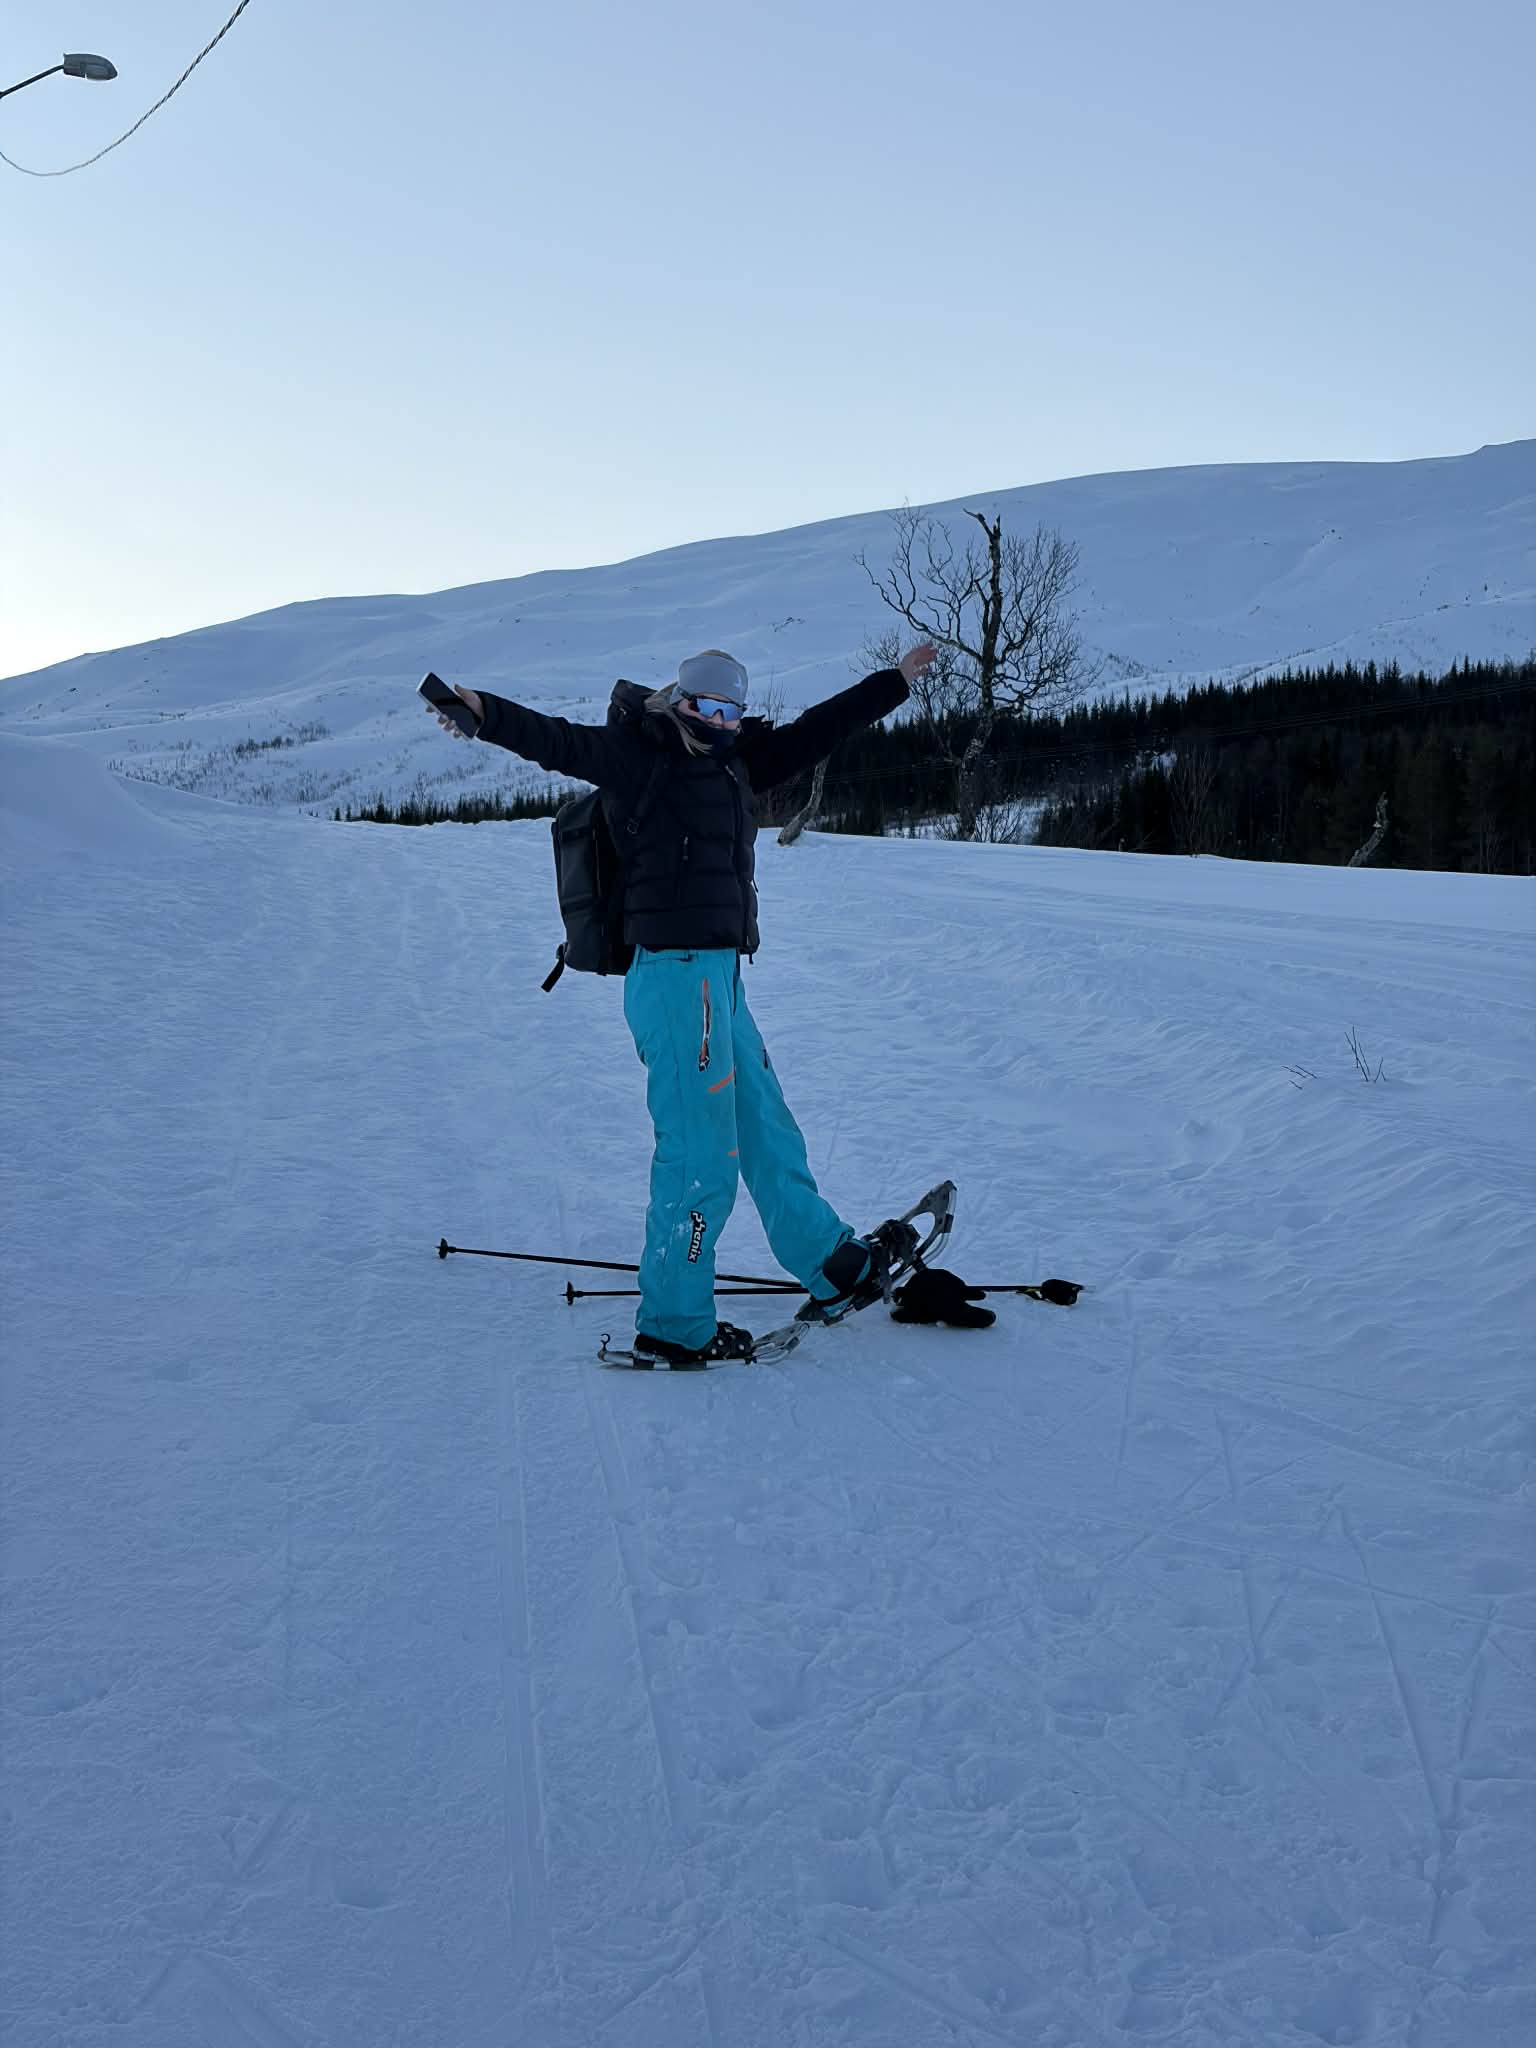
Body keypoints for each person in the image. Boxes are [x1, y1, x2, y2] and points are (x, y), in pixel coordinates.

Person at [428, 640, 938, 1367]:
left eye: (733, 709)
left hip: (721, 977)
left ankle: (832, 1264)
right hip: (672, 982)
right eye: (707, 705)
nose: (720, 719)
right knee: (700, 1153)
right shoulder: (639, 756)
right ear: (680, 700)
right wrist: (482, 715)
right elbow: (556, 741)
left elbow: (821, 729)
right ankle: (673, 1320)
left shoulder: (737, 761)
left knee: (765, 1125)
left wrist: (893, 683)